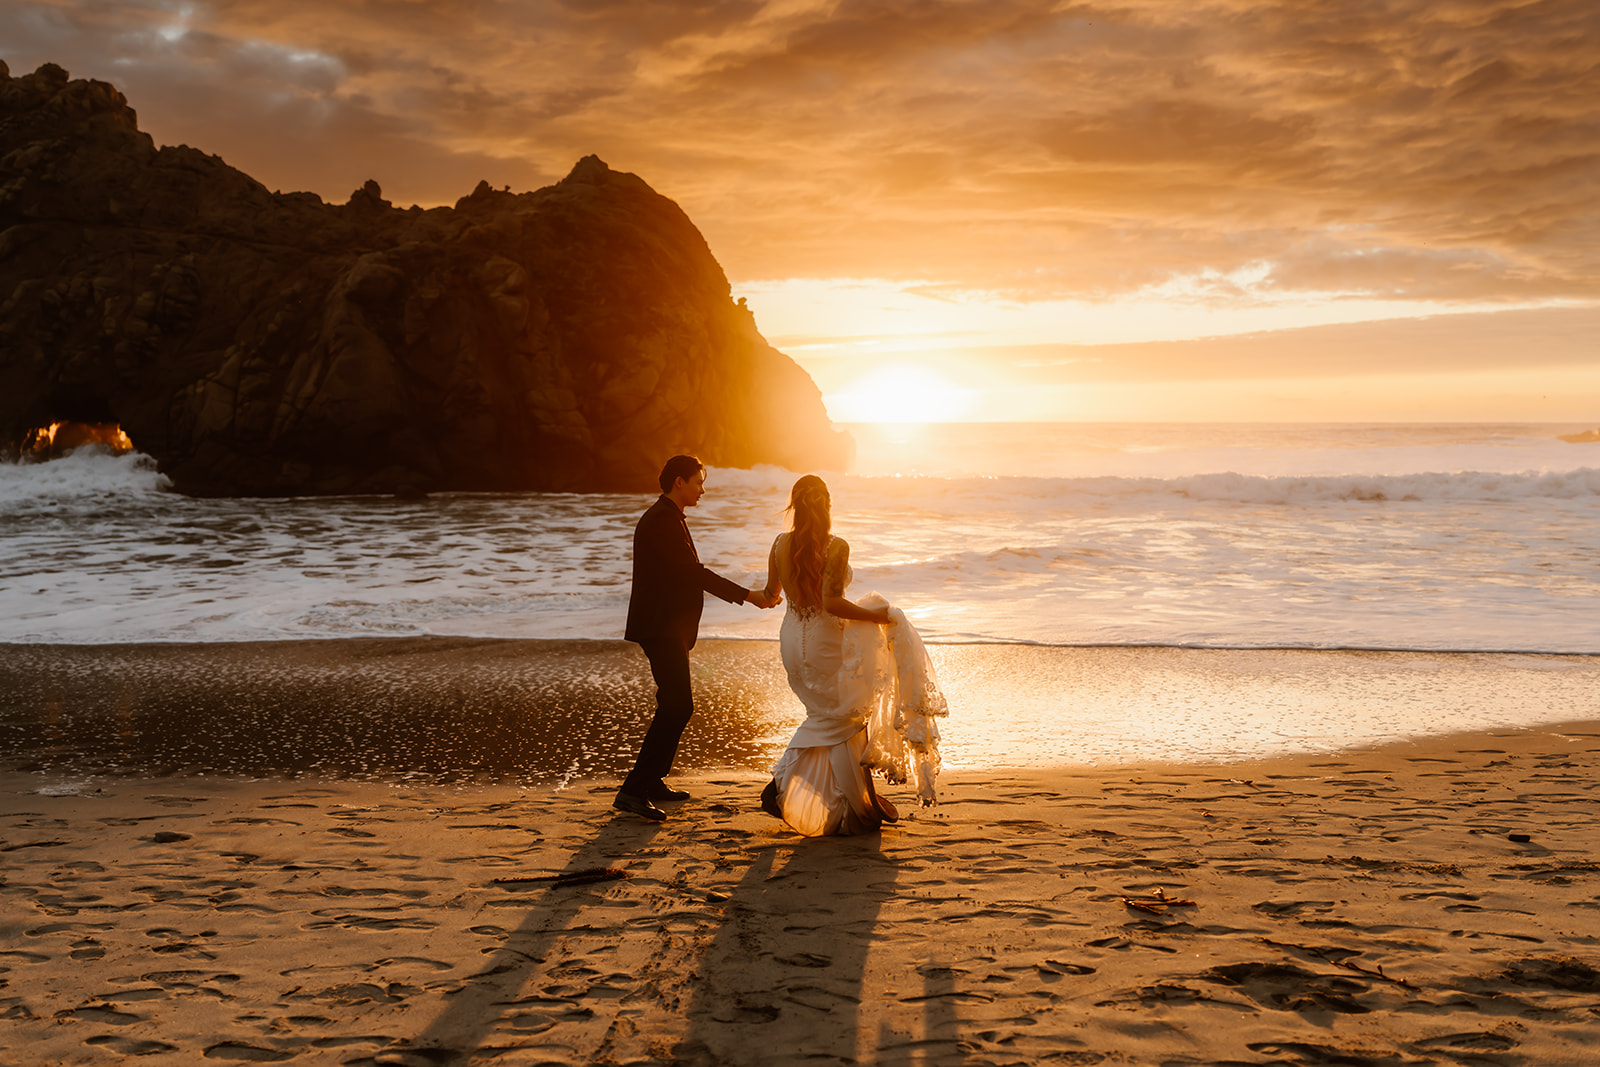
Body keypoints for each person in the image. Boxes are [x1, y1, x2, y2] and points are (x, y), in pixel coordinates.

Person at [756, 475, 947, 836]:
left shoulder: (779, 543)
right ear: (827, 505)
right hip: (825, 641)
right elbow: (832, 603)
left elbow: (769, 593)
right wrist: (880, 616)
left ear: (794, 505)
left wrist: (740, 594)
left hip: (793, 641)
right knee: (845, 715)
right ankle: (782, 785)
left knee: (828, 715)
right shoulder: (836, 546)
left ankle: (851, 795)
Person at [616, 455, 778, 822]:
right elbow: (693, 573)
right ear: (679, 482)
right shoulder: (661, 521)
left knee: (673, 704)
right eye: (698, 482)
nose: (703, 490)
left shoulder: (668, 517)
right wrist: (749, 595)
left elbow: (685, 574)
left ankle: (651, 781)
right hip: (660, 627)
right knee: (678, 706)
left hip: (666, 627)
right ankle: (633, 789)